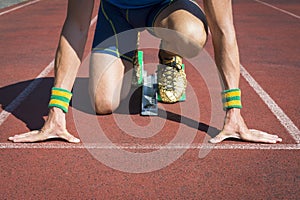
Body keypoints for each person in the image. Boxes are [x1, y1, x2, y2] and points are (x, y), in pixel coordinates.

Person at [8, 0, 282, 144]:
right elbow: (77, 26)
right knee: (102, 103)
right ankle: (134, 67)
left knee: (191, 35)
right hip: (115, 16)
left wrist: (233, 112)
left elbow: (223, 29)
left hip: (166, 9)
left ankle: (169, 56)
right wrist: (56, 112)